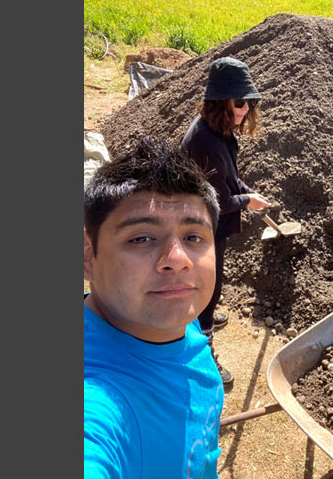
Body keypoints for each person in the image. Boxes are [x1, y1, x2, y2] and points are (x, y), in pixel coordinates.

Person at [84, 136, 224, 478]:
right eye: (141, 238)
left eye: (194, 237)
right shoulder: (98, 406)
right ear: (88, 257)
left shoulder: (176, 319)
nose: (177, 261)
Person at [181, 56, 271, 387]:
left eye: (249, 102)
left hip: (210, 219)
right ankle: (204, 350)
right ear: (221, 101)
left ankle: (204, 320)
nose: (245, 109)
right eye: (239, 102)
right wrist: (247, 201)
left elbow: (228, 180)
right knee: (208, 286)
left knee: (211, 281)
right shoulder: (205, 140)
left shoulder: (219, 132)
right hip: (200, 225)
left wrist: (248, 192)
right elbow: (218, 201)